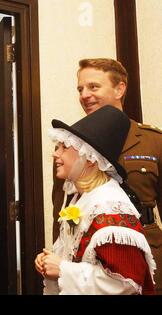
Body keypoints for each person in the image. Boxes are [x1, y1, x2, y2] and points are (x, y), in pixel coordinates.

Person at [52, 58, 162, 293]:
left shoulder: (153, 141)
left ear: (120, 89)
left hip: (147, 253)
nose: (84, 95)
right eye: (80, 89)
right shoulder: (70, 145)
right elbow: (63, 210)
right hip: (87, 263)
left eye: (93, 86)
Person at [36, 105, 155, 294]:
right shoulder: (80, 197)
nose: (55, 154)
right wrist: (50, 261)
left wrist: (62, 270)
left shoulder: (110, 207)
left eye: (64, 147)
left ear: (90, 159)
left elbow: (126, 282)